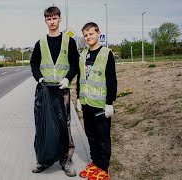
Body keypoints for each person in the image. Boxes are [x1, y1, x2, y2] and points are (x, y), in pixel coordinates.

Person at [30, 6, 79, 177]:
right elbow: (34, 64)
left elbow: (75, 64)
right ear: (45, 21)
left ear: (59, 19)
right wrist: (39, 78)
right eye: (48, 19)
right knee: (43, 125)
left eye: (54, 18)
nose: (51, 21)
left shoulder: (69, 42)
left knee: (64, 126)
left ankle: (65, 160)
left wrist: (68, 78)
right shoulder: (40, 43)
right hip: (44, 91)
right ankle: (43, 160)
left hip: (62, 90)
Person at [76, 22, 117, 180]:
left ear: (98, 33)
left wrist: (109, 102)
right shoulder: (83, 55)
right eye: (85, 35)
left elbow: (111, 80)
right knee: (90, 135)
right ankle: (95, 163)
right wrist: (79, 98)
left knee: (102, 137)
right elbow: (81, 78)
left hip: (101, 105)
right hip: (87, 103)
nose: (88, 37)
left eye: (91, 34)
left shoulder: (106, 53)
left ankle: (103, 168)